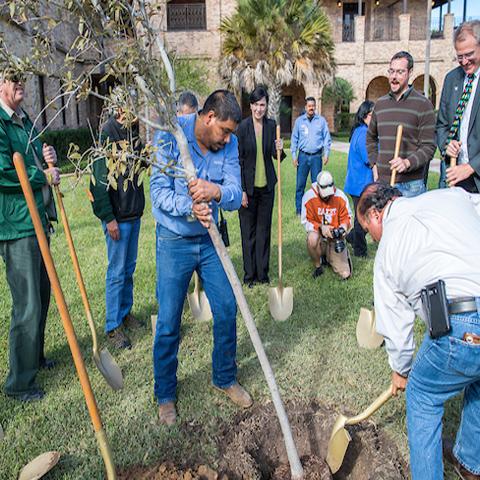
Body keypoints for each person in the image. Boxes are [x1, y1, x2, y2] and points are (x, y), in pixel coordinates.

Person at [357, 182, 480, 480]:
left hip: (463, 327)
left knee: (422, 395)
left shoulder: (388, 249)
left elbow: (397, 327)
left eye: (366, 230)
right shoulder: (452, 196)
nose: (372, 240)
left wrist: (401, 370)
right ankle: (470, 464)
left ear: (374, 215)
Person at [151, 90, 252, 426]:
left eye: (230, 133)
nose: (227, 139)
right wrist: (189, 207)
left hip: (211, 241)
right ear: (208, 117)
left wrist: (216, 191)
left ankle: (224, 376)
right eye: (223, 130)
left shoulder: (230, 143)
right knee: (168, 321)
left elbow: (236, 195)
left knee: (226, 307)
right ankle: (165, 393)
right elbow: (158, 193)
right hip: (174, 240)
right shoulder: (169, 134)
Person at [0, 69, 60, 401]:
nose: (19, 82)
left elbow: (38, 161)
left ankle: (34, 357)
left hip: (37, 220)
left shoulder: (24, 121)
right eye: (11, 78)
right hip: (17, 225)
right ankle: (19, 383)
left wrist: (49, 159)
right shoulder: (0, 123)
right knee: (27, 302)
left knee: (42, 293)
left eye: (22, 78)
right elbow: (6, 171)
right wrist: (43, 175)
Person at [90, 88, 145, 350]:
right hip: (118, 217)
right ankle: (113, 326)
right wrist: (108, 218)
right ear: (119, 107)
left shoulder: (133, 131)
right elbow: (98, 181)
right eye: (130, 103)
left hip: (134, 212)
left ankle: (125, 313)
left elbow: (141, 166)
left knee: (129, 269)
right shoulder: (107, 133)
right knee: (116, 271)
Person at [366, 51, 436, 197]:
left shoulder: (423, 104)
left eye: (400, 72)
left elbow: (429, 147)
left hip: (411, 185)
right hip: (383, 182)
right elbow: (370, 138)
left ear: (410, 72)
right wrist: (374, 164)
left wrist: (407, 163)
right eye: (391, 71)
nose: (394, 77)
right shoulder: (381, 104)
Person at [236, 86, 285, 287]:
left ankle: (262, 274)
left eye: (262, 105)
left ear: (267, 106)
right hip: (247, 189)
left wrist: (280, 149)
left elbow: (276, 157)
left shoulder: (272, 126)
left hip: (267, 188)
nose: (259, 109)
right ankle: (250, 276)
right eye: (256, 104)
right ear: (250, 105)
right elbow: (237, 160)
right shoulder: (242, 127)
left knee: (264, 232)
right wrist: (241, 191)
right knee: (248, 233)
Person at [436, 20, 480, 193]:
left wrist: (471, 167)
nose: (464, 61)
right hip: (454, 177)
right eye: (459, 56)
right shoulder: (451, 79)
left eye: (469, 54)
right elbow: (442, 125)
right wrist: (447, 144)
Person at [301, 170, 352, 280]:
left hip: (334, 238)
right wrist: (320, 227)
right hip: (319, 236)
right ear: (318, 187)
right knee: (312, 238)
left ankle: (330, 257)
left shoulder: (340, 196)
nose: (327, 197)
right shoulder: (308, 196)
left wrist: (343, 227)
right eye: (324, 195)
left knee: (345, 274)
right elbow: (306, 221)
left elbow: (347, 218)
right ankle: (318, 265)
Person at [291, 96, 331, 215]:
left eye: (313, 106)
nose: (311, 108)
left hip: (316, 157)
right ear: (306, 107)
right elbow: (294, 139)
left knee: (317, 185)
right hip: (302, 157)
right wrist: (294, 156)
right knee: (300, 185)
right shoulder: (299, 121)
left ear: (315, 107)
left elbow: (327, 139)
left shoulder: (321, 121)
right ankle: (299, 210)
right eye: (309, 106)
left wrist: (326, 154)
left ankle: (316, 210)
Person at [344, 100, 374, 258]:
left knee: (363, 216)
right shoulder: (363, 134)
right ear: (364, 116)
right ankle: (360, 251)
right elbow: (369, 159)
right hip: (360, 184)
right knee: (362, 218)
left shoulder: (360, 131)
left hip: (358, 183)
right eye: (372, 115)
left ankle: (351, 237)